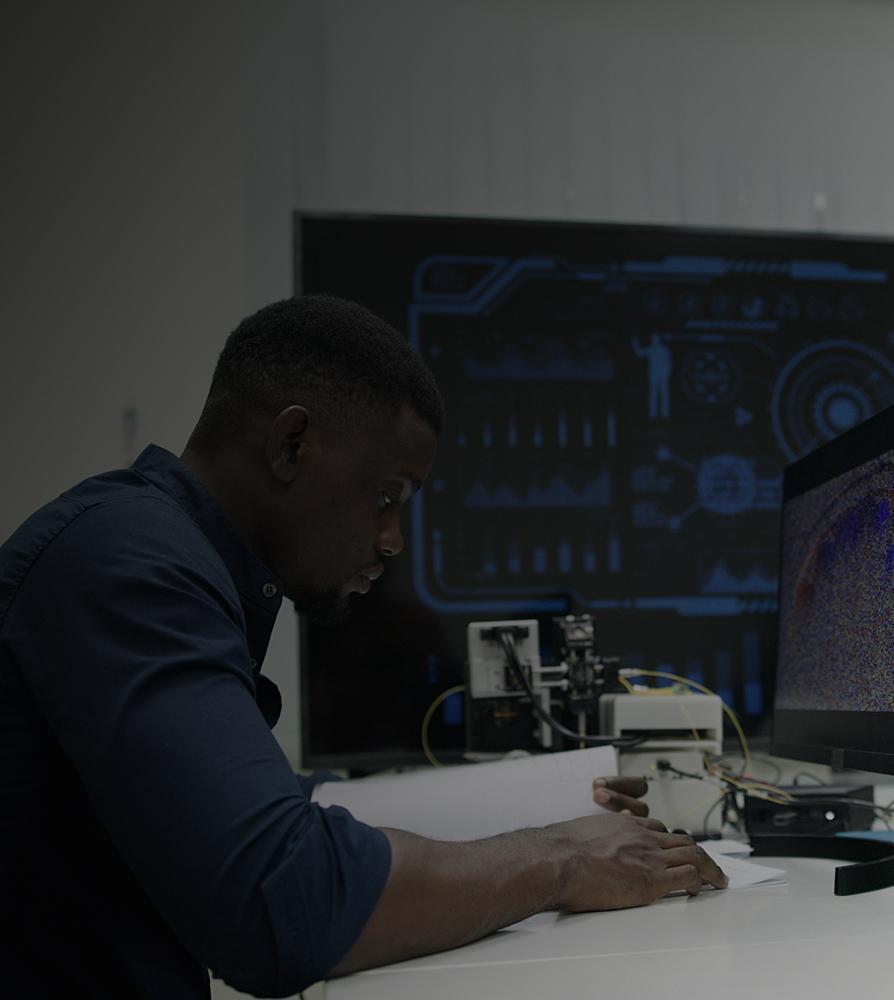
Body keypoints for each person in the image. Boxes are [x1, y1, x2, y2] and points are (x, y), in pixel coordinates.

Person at [0, 296, 727, 998]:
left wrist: (540, 802)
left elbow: (269, 808)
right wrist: (560, 859)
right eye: (386, 495)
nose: (393, 540)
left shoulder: (154, 549)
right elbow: (280, 898)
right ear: (291, 444)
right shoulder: (128, 563)